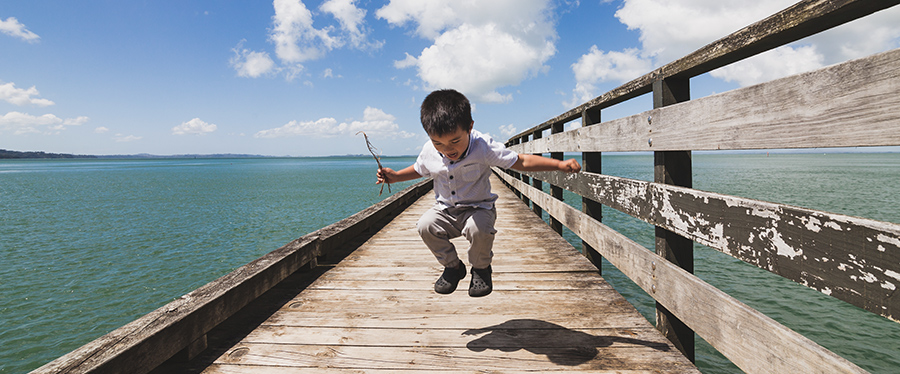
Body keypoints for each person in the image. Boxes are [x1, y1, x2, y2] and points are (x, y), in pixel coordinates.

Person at [376, 89, 581, 297]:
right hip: (446, 210)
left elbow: (520, 161)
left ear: (470, 127)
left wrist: (558, 165)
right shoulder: (429, 150)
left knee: (478, 229)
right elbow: (419, 169)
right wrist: (395, 176)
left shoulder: (483, 146)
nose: (447, 149)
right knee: (425, 225)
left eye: (455, 141)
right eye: (438, 143)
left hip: (479, 208)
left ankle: (481, 268)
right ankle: (453, 267)